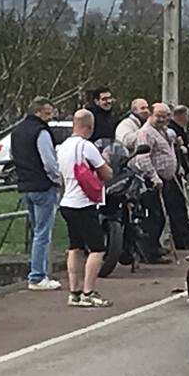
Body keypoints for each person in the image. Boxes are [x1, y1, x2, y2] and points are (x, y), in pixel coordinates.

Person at [58, 109, 114, 308]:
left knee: (75, 247)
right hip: (84, 203)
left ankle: (74, 291)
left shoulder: (62, 147)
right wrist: (107, 164)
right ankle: (88, 291)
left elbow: (61, 178)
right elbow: (106, 173)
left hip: (67, 202)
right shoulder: (86, 147)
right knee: (97, 249)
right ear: (89, 127)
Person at [128, 102, 189, 259]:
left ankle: (156, 246)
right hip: (153, 180)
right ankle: (149, 250)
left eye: (165, 116)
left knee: (166, 214)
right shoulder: (146, 133)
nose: (162, 119)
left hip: (169, 178)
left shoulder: (165, 131)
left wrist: (177, 167)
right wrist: (153, 176)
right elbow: (143, 158)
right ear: (151, 115)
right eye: (159, 116)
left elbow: (170, 150)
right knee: (155, 215)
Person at [10, 96, 62, 290]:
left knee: (36, 231)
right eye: (48, 113)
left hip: (26, 184)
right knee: (43, 233)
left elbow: (13, 156)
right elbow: (48, 161)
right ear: (38, 112)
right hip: (42, 185)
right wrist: (57, 180)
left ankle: (37, 273)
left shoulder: (17, 131)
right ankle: (38, 276)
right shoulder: (41, 132)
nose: (50, 117)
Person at [170, 104, 189, 179]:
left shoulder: (180, 129)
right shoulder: (172, 130)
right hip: (177, 168)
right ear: (183, 116)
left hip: (182, 167)